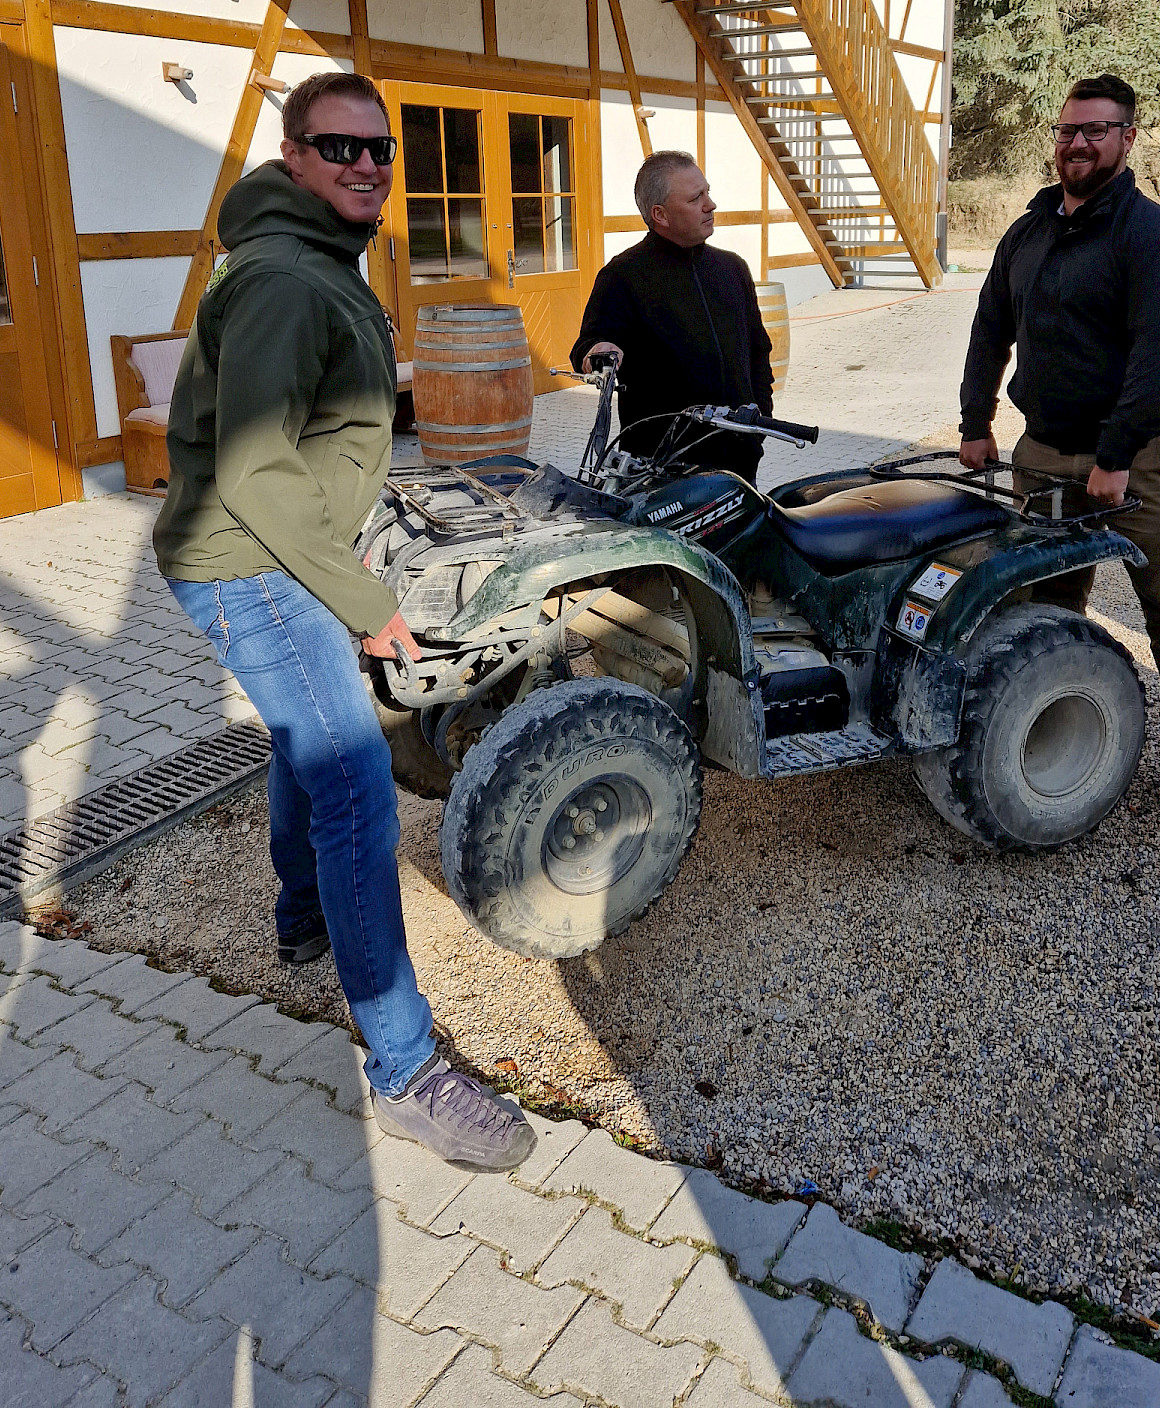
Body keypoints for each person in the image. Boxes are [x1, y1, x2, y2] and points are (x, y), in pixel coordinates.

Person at [153, 70, 534, 1170]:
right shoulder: (285, 276)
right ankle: (406, 1069)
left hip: (268, 550)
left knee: (305, 744)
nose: (366, 166)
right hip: (250, 563)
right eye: (341, 147)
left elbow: (309, 436)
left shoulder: (312, 251)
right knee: (358, 786)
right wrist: (366, 605)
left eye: (381, 150)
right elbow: (257, 470)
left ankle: (303, 920)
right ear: (295, 154)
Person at [957, 73, 1160, 837]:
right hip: (1043, 453)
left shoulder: (1154, 235)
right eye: (1068, 130)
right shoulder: (1029, 230)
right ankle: (1045, 728)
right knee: (1041, 600)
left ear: (1127, 138)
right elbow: (989, 327)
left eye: (1096, 130)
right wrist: (975, 420)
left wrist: (1114, 454)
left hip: (1141, 459)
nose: (1077, 143)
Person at [570, 149, 775, 482]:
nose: (711, 205)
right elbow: (588, 345)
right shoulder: (623, 275)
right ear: (660, 214)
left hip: (739, 467)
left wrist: (758, 424)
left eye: (707, 192)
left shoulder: (733, 268)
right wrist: (598, 352)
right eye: (695, 199)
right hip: (660, 473)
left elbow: (758, 353)